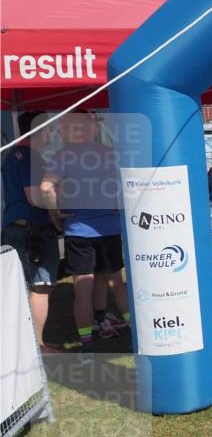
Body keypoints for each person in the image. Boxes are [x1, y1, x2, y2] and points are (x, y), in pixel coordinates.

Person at [39, 113, 130, 361]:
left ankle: (87, 346)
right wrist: (117, 204)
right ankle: (136, 335)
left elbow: (46, 188)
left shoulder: (62, 156)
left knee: (83, 289)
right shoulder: (110, 153)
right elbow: (126, 185)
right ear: (92, 129)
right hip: (109, 229)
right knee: (116, 283)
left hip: (78, 229)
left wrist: (54, 213)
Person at [1, 112, 61, 351]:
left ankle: (24, 346)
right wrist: (58, 206)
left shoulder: (14, 155)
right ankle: (37, 346)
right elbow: (35, 197)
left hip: (18, 227)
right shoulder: (28, 157)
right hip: (32, 230)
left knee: (23, 287)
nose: (52, 134)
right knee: (41, 286)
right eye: (49, 129)